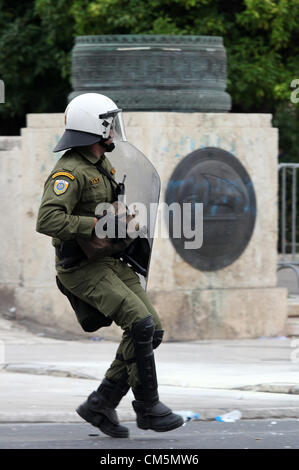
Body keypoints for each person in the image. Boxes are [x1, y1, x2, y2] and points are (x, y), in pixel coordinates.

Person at [36, 93, 184, 438]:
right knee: (140, 324)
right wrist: (96, 225)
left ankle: (101, 403)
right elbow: (47, 219)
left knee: (152, 330)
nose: (115, 130)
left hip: (108, 259)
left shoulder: (101, 165)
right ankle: (148, 408)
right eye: (110, 123)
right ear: (96, 127)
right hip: (81, 267)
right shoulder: (70, 171)